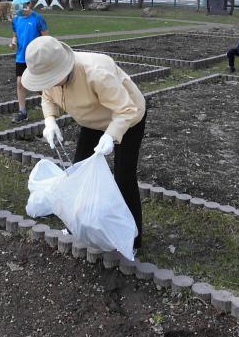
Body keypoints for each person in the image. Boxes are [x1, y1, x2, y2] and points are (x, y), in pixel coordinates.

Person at [22, 36, 147, 250]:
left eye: (50, 79)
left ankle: (133, 239)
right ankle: (78, 225)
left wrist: (110, 135)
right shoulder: (49, 78)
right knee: (79, 170)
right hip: (92, 120)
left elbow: (126, 110)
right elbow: (47, 96)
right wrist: (50, 120)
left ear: (63, 69)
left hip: (127, 118)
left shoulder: (96, 73)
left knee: (123, 177)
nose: (47, 84)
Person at [10, 0, 49, 123]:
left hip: (35, 57)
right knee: (20, 83)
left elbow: (47, 38)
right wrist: (14, 41)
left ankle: (53, 105)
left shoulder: (38, 18)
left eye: (21, 5)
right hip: (21, 57)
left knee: (38, 86)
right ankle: (23, 112)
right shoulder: (15, 19)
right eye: (17, 6)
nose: (19, 9)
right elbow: (15, 33)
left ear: (29, 4)